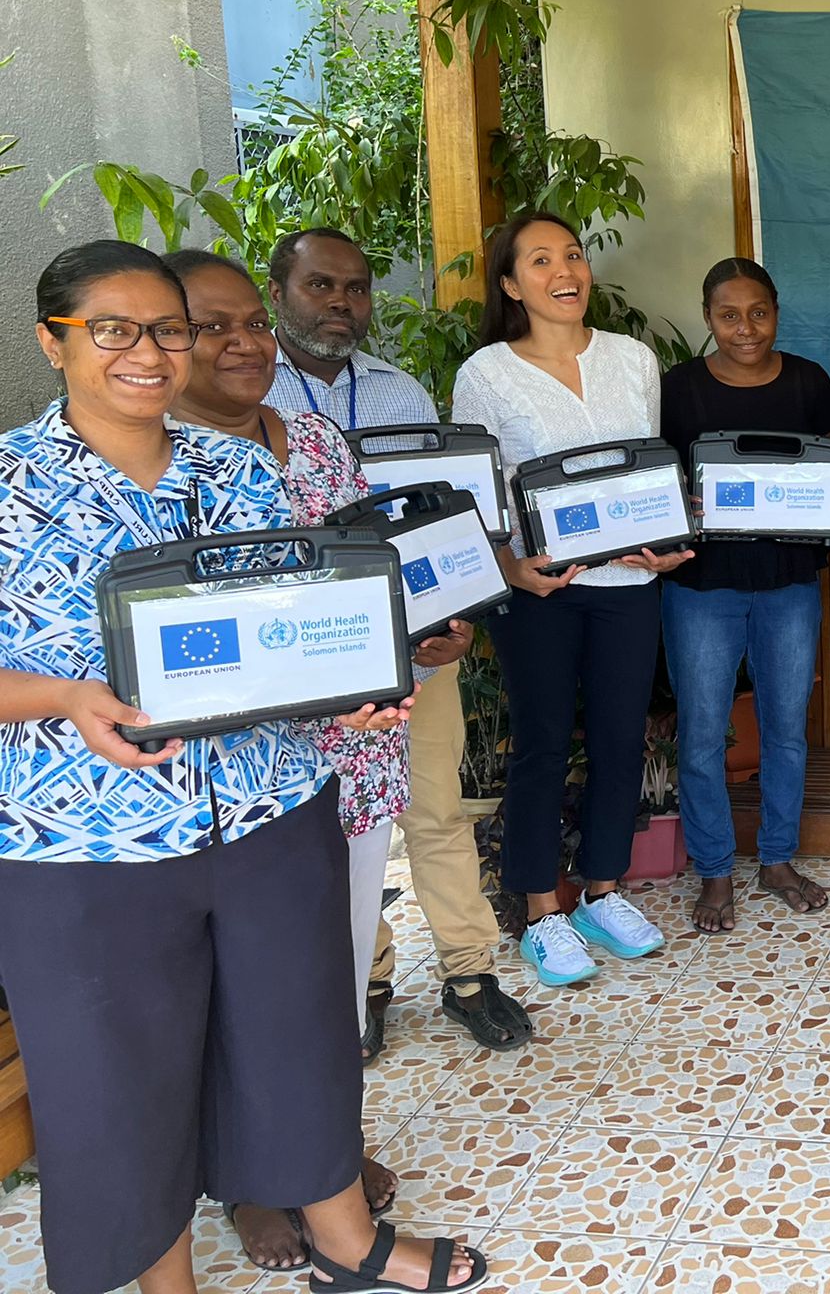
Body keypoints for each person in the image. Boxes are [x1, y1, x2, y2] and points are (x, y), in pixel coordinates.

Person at [0, 241, 481, 1294]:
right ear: (54, 340)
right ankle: (161, 1281)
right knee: (120, 1079)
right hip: (89, 841)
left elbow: (301, 626)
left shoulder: (240, 468)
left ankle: (346, 1242)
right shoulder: (8, 485)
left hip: (269, 810)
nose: (149, 351)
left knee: (299, 1033)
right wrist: (65, 698)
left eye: (166, 329)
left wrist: (358, 682)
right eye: (113, 330)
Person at [165, 248, 474, 1273]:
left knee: (329, 966)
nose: (245, 342)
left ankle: (322, 1153)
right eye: (214, 326)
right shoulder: (153, 459)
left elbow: (356, 572)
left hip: (353, 754)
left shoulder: (310, 438)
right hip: (231, 780)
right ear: (169, 340)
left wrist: (417, 631)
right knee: (234, 982)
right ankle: (251, 1178)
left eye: (251, 321)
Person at [265, 226, 532, 1055]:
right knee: (344, 828)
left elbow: (441, 519)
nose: (342, 304)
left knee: (438, 807)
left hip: (417, 643)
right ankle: (369, 974)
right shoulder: (244, 391)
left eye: (356, 288)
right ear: (278, 292)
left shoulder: (400, 390)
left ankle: (467, 973)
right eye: (321, 286)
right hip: (315, 659)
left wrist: (454, 621)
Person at [452, 213, 688, 985]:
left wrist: (660, 542)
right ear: (512, 284)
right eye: (542, 260)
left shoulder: (632, 359)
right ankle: (540, 911)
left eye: (575, 255)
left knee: (623, 739)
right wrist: (510, 570)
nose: (566, 271)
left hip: (629, 585)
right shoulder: (486, 372)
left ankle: (602, 889)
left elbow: (645, 471)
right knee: (542, 745)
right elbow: (472, 496)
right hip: (541, 591)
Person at [659, 258, 830, 932]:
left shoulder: (809, 383)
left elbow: (826, 477)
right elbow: (659, 485)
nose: (745, 328)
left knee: (786, 731)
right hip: (701, 585)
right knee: (703, 734)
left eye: (758, 312)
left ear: (776, 312)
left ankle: (777, 859)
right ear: (708, 318)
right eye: (729, 315)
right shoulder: (678, 390)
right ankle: (714, 871)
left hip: (790, 582)